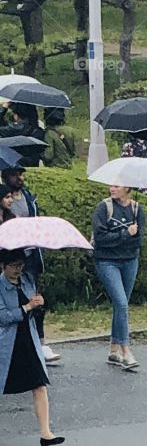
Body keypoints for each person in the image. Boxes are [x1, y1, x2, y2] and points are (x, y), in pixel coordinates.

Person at [0, 249, 64, 444]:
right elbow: (3, 317)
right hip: (7, 344)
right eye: (13, 266)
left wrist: (39, 304)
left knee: (39, 384)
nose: (18, 270)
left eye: (20, 265)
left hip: (29, 339)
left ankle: (46, 432)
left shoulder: (27, 280)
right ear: (3, 266)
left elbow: (37, 311)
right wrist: (26, 307)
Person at [0, 166, 60, 367]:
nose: (20, 178)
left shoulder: (27, 197)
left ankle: (39, 344)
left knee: (35, 301)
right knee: (8, 307)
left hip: (28, 256)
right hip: (7, 262)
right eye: (16, 175)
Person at [91, 184, 146, 372]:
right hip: (107, 261)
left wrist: (129, 236)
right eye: (111, 185)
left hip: (130, 260)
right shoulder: (103, 208)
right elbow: (100, 238)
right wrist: (124, 234)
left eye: (116, 185)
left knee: (120, 305)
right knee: (122, 303)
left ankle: (113, 349)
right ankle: (126, 351)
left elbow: (139, 239)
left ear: (127, 188)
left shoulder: (137, 209)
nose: (112, 188)